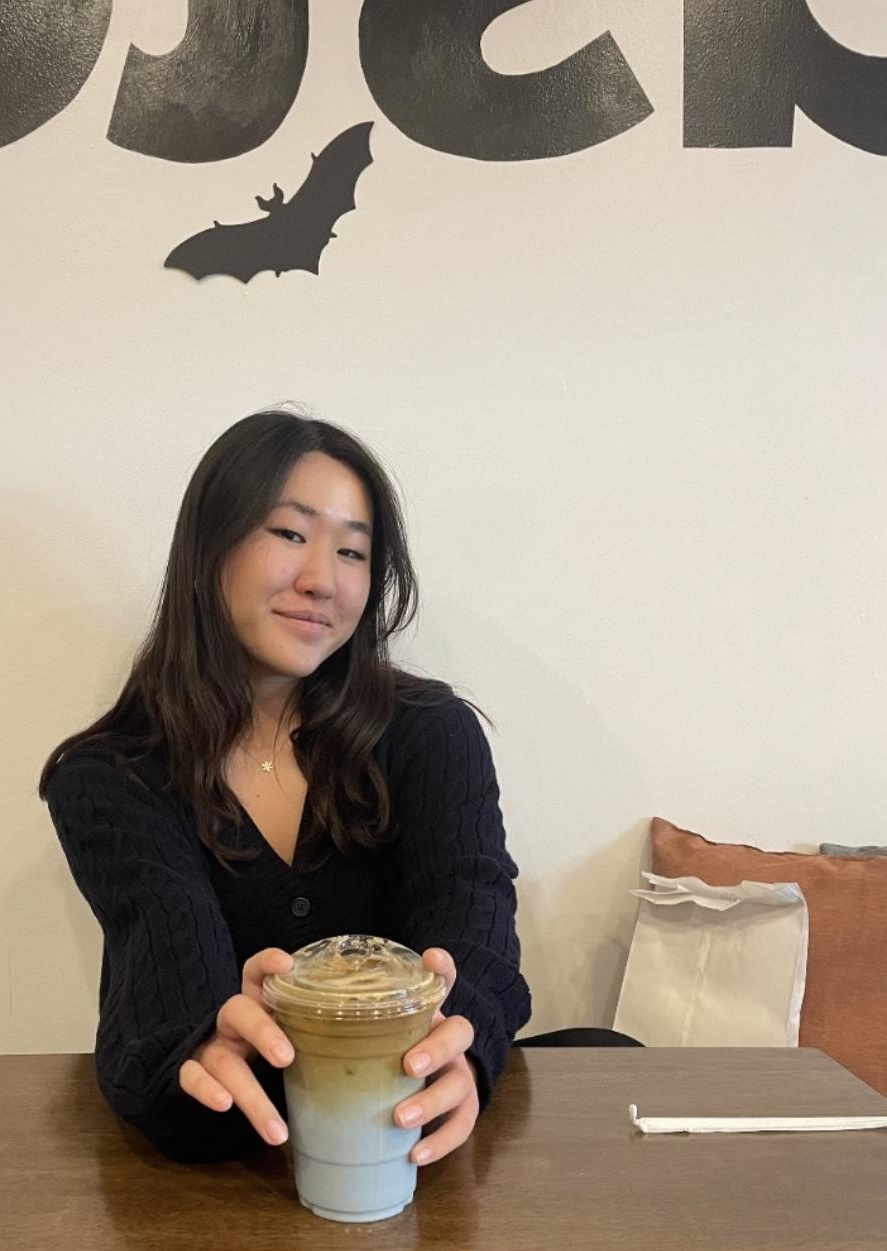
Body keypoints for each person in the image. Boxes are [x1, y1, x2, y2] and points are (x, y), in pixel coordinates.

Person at [41, 410, 630, 1167]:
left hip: (412, 1157)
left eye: (353, 551)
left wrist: (467, 1039)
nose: (322, 579)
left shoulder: (429, 732)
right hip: (226, 1187)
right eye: (289, 534)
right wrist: (201, 1044)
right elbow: (164, 981)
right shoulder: (110, 778)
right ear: (207, 546)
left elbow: (472, 917)